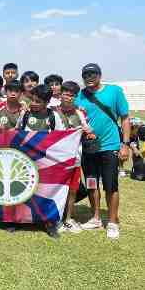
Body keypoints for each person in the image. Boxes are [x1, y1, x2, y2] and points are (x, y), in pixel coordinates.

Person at [75, 63, 130, 240]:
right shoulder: (80, 95)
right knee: (91, 183)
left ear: (100, 74)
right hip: (89, 148)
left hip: (110, 146)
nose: (89, 77)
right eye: (86, 75)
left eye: (93, 74)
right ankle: (96, 217)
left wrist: (125, 144)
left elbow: (125, 118)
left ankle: (112, 222)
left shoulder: (114, 91)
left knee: (110, 185)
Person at [17, 84, 65, 238]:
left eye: (38, 101)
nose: (34, 103)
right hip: (25, 161)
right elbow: (17, 133)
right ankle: (18, 220)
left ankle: (49, 223)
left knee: (45, 192)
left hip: (45, 163)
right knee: (22, 189)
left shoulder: (53, 117)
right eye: (33, 100)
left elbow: (62, 138)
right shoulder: (25, 115)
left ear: (46, 102)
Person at [56, 81, 94, 234]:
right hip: (55, 159)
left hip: (75, 158)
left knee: (72, 190)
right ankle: (55, 218)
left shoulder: (81, 113)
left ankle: (68, 218)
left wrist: (89, 133)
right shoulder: (52, 112)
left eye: (72, 95)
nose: (68, 97)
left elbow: (88, 131)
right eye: (66, 94)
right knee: (57, 188)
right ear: (60, 94)